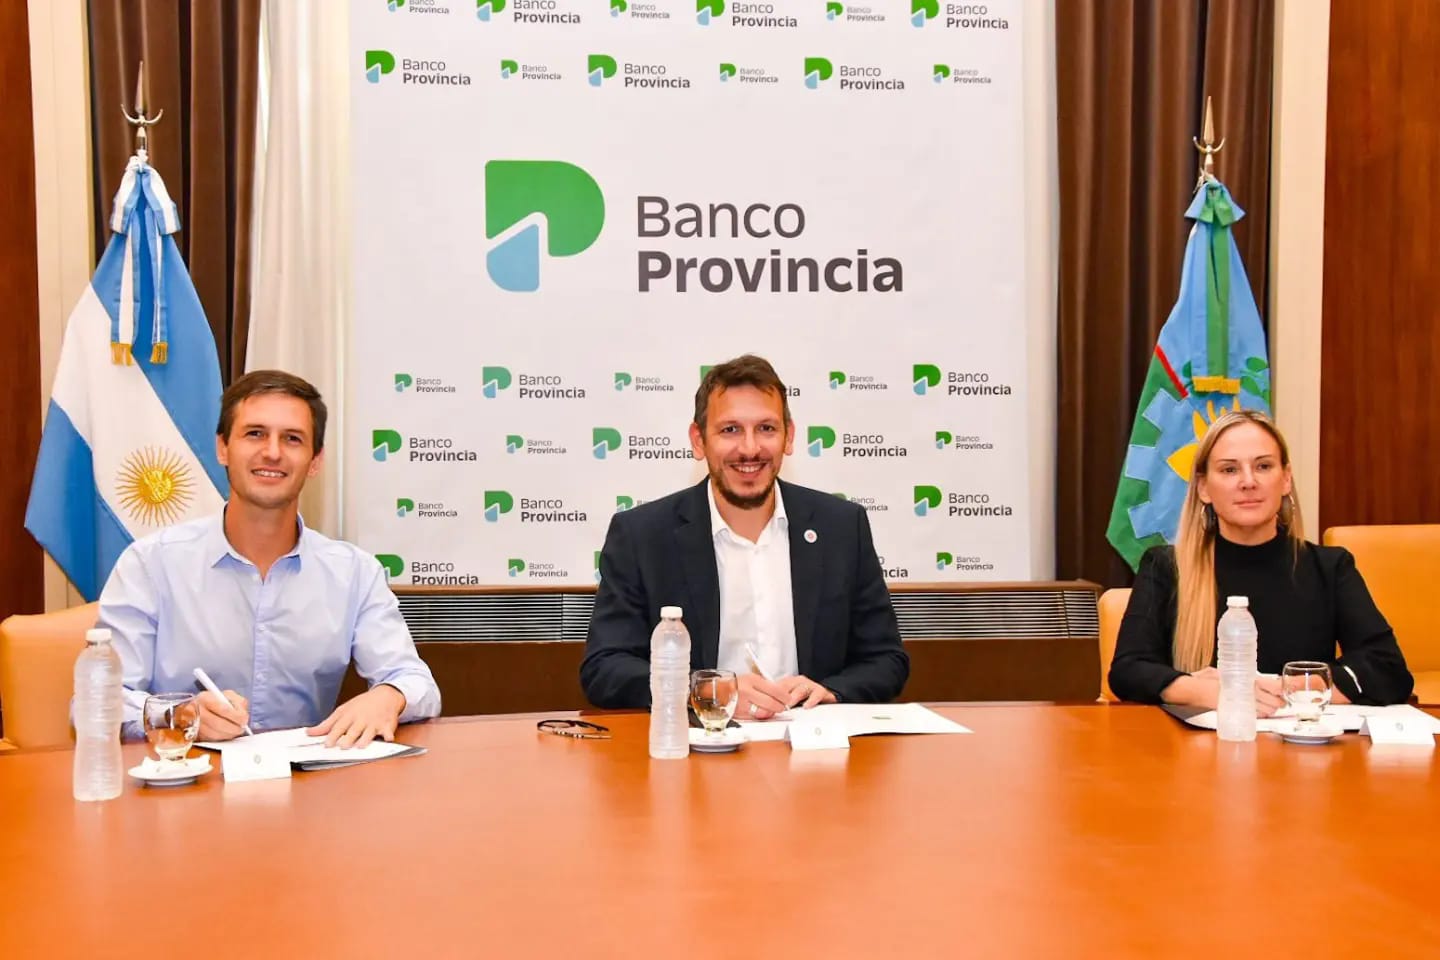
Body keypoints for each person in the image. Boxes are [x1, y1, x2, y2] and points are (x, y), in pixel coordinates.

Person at [98, 370, 440, 747]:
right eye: (255, 434)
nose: (273, 452)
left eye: (292, 438)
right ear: (223, 448)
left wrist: (389, 695)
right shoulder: (150, 564)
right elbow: (101, 703)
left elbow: (417, 682)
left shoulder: (354, 573)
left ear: (315, 460)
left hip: (307, 777)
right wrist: (178, 715)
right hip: (189, 773)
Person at [582, 354, 909, 715]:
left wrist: (831, 692)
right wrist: (708, 691)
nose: (750, 448)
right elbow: (605, 668)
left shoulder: (842, 527)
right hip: (699, 742)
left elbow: (885, 660)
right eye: (730, 430)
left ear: (789, 436)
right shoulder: (642, 535)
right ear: (698, 440)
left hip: (813, 740)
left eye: (766, 428)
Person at [1109, 408, 1412, 712]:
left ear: (1286, 479)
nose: (1248, 481)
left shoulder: (1330, 567)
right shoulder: (1165, 566)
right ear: (1203, 488)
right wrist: (1205, 692)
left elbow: (1388, 669)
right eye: (1229, 470)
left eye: (1263, 466)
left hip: (1299, 737)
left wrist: (1290, 688)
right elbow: (1128, 670)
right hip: (1202, 738)